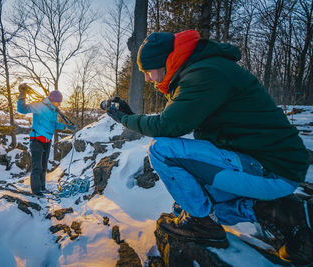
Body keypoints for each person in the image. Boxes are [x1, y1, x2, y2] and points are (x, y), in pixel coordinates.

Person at [106, 30, 313, 265]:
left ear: (165, 62)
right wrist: (132, 116)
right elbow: (180, 114)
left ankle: (199, 223)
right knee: (192, 202)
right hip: (268, 165)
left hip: (272, 168)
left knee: (161, 150)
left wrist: (124, 119)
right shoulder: (202, 69)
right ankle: (277, 210)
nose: (147, 79)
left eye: (148, 71)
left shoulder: (206, 73)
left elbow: (168, 125)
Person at [17, 84, 75, 196]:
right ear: (53, 100)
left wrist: (67, 127)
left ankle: (42, 188)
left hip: (47, 142)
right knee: (37, 166)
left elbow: (53, 124)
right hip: (37, 141)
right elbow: (22, 109)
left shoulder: (53, 111)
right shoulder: (40, 106)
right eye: (58, 101)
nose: (60, 104)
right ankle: (36, 191)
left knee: (44, 167)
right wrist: (22, 95)